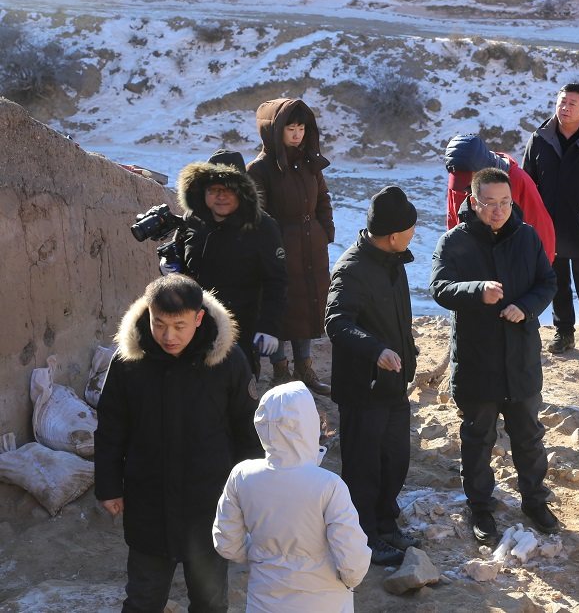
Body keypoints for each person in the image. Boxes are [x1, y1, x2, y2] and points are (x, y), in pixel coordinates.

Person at [94, 274, 263, 613]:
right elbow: (111, 428)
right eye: (159, 324)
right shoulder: (129, 363)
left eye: (179, 326)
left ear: (199, 318)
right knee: (143, 599)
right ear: (148, 314)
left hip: (209, 504)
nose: (168, 336)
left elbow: (248, 430)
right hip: (148, 502)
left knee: (210, 601)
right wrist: (109, 486)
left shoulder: (228, 361)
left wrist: (250, 494)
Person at [429, 167, 558, 544]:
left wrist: (526, 307)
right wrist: (476, 290)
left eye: (505, 202)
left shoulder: (527, 236)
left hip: (520, 358)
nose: (498, 210)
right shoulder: (454, 241)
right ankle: (480, 507)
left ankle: (535, 500)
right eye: (489, 203)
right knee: (478, 437)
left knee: (529, 436)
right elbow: (439, 287)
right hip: (477, 360)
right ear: (473, 202)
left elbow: (547, 282)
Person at [213, 381, 371, 613]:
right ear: (308, 424)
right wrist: (349, 580)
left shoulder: (242, 475)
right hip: (324, 602)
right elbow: (352, 558)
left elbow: (226, 542)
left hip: (264, 601)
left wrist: (262, 555)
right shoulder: (328, 485)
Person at [324, 186, 420, 567]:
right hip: (363, 389)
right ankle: (363, 537)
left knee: (394, 460)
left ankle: (385, 524)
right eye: (410, 229)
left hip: (393, 384)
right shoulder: (352, 269)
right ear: (393, 236)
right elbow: (336, 322)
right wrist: (375, 350)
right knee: (363, 469)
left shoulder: (393, 261)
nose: (414, 233)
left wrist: (406, 352)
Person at [170, 150, 287, 378]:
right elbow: (179, 258)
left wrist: (269, 328)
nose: (221, 196)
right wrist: (171, 269)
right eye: (213, 190)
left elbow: (276, 282)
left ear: (242, 192)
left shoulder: (262, 227)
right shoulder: (193, 220)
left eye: (229, 189)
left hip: (240, 327)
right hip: (192, 324)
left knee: (235, 386)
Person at [247, 97, 335, 394]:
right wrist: (273, 248)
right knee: (280, 308)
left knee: (307, 305)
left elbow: (322, 198)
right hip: (280, 250)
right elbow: (257, 215)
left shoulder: (309, 162)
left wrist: (325, 231)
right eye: (290, 128)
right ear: (274, 130)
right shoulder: (259, 169)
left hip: (312, 246)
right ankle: (280, 370)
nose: (297, 134)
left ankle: (304, 369)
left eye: (301, 128)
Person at [522, 83, 579, 357]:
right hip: (549, 226)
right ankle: (564, 333)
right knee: (557, 283)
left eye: (572, 103)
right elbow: (527, 184)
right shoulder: (539, 139)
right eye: (561, 102)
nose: (565, 108)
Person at [444, 133, 555, 262]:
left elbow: (541, 229)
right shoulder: (459, 184)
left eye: (469, 183)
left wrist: (542, 269)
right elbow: (453, 223)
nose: (465, 190)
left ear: (482, 169)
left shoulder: (518, 180)